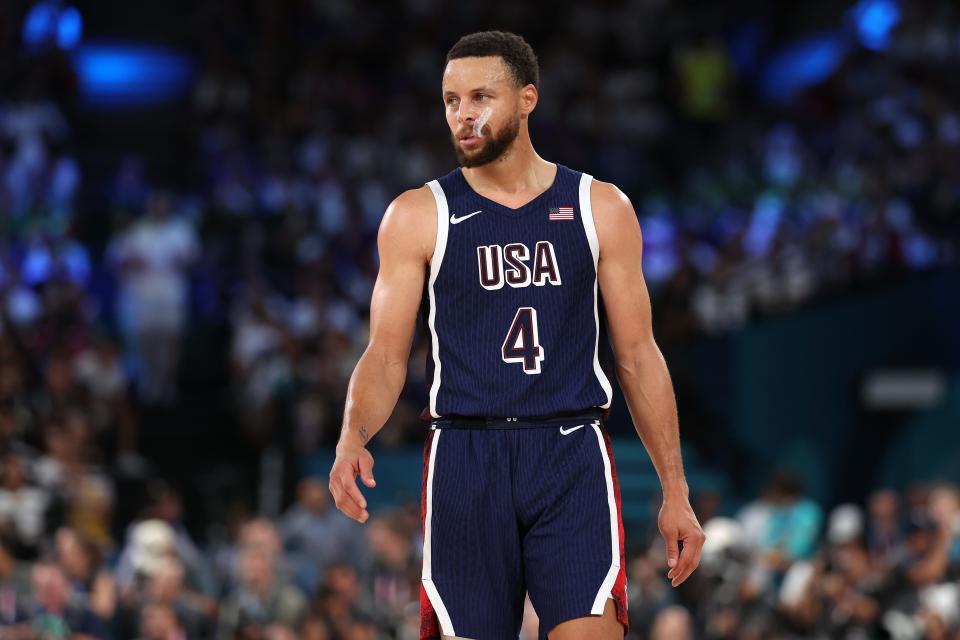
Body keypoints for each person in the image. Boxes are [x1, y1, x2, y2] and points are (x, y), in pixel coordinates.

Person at [328, 31, 705, 640]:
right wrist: (353, 434)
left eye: (480, 96)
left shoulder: (599, 206)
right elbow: (385, 355)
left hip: (570, 448)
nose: (463, 114)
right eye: (451, 100)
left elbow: (638, 355)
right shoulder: (417, 214)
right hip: (464, 455)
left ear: (528, 99)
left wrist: (675, 489)